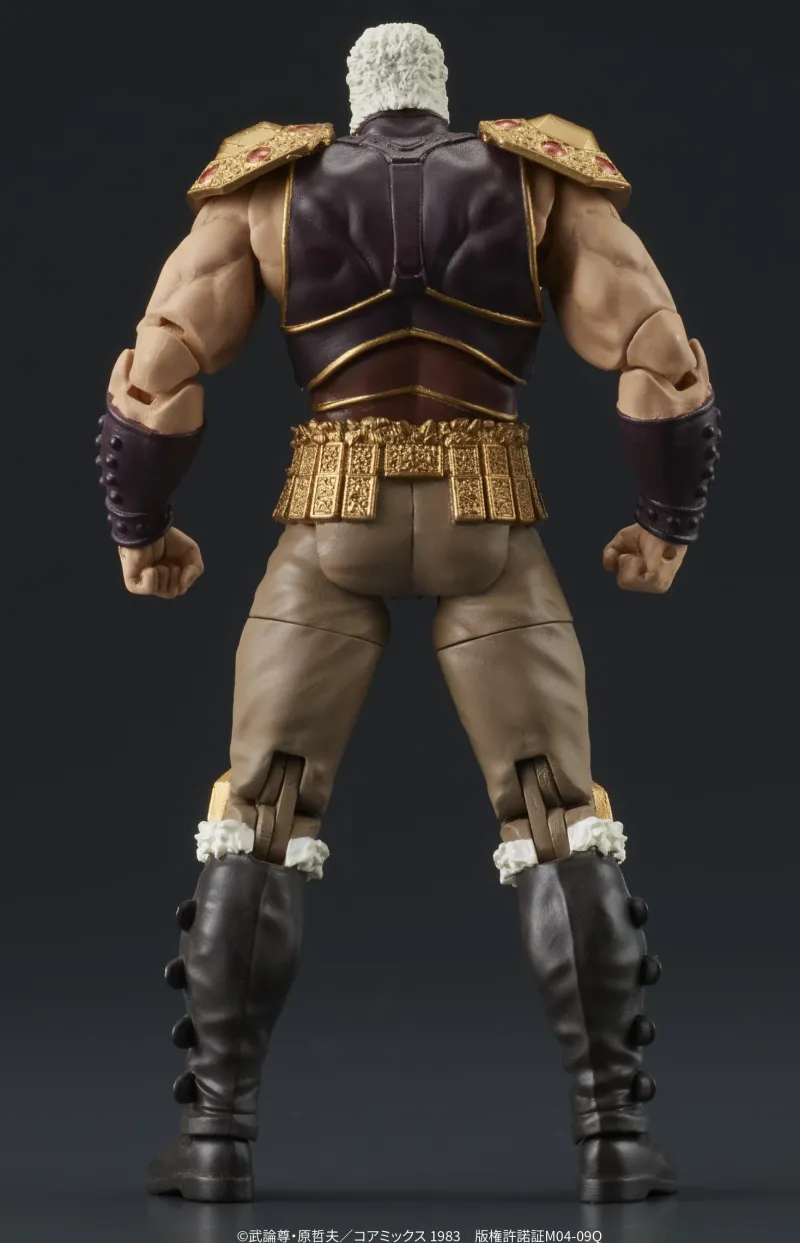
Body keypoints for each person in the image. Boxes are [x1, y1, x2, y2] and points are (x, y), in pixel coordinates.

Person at [98, 22, 720, 1203]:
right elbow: (659, 356)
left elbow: (161, 365)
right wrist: (664, 522)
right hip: (490, 511)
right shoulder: (536, 182)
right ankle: (611, 1140)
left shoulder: (269, 189)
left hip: (330, 512)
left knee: (262, 806)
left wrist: (142, 527)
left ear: (354, 93)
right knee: (553, 810)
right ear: (440, 92)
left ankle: (217, 1142)